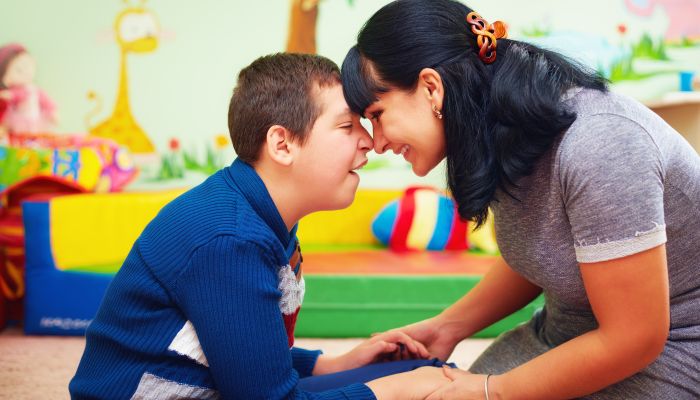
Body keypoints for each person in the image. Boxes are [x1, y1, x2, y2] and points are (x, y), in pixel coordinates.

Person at [340, 0, 700, 399]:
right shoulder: (500, 126)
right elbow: (545, 248)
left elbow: (637, 337)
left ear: (430, 87)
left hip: (673, 348)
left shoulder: (600, 143)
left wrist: (493, 391)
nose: (376, 142)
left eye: (377, 113)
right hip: (570, 332)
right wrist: (448, 326)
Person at [69, 53, 452, 399]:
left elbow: (242, 352)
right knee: (422, 385)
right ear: (282, 145)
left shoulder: (260, 216)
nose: (369, 141)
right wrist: (398, 391)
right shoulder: (230, 239)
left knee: (427, 374)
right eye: (346, 126)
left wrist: (334, 365)